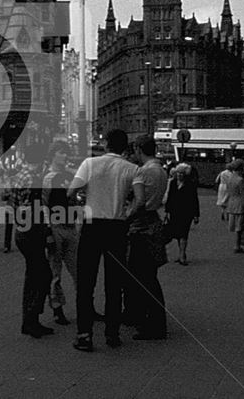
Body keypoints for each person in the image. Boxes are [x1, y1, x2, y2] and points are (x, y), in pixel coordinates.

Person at [67, 129, 138, 352]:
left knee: (86, 283)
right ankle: (112, 334)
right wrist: (127, 214)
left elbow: (71, 192)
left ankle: (84, 334)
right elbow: (141, 199)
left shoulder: (90, 163)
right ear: (125, 147)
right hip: (117, 227)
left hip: (92, 226)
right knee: (114, 283)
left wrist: (82, 204)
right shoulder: (132, 168)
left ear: (106, 144)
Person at [4, 144, 53, 338]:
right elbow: (34, 208)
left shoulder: (18, 175)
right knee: (40, 275)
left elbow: (9, 200)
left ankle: (31, 318)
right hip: (32, 231)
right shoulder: (34, 179)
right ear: (40, 160)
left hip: (22, 231)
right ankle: (31, 319)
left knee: (34, 275)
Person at [125, 135, 169, 340]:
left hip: (142, 226)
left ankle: (153, 325)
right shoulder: (160, 170)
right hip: (153, 223)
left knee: (144, 277)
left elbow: (139, 202)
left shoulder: (144, 172)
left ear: (138, 149)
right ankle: (148, 319)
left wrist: (127, 216)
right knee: (148, 276)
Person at [43, 141, 78, 326]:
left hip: (71, 226)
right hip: (56, 227)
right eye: (62, 153)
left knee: (78, 269)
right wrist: (48, 228)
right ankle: (57, 308)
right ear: (53, 154)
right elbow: (44, 205)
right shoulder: (48, 178)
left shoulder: (69, 175)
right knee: (55, 272)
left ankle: (84, 305)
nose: (65, 156)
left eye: (67, 153)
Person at [163, 163, 199, 265]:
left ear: (185, 174)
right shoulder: (173, 183)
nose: (179, 175)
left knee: (183, 233)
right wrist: (167, 212)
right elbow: (170, 198)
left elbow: (194, 200)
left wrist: (196, 215)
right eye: (178, 173)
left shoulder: (190, 184)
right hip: (174, 212)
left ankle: (182, 255)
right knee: (178, 234)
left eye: (182, 173)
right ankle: (181, 253)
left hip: (186, 212)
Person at [222, 160, 244, 253]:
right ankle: (237, 245)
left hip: (231, 202)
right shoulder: (240, 180)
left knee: (235, 225)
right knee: (239, 226)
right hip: (239, 204)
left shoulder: (229, 178)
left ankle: (237, 245)